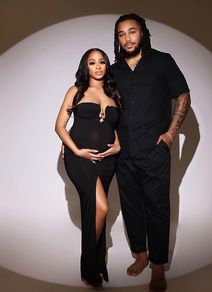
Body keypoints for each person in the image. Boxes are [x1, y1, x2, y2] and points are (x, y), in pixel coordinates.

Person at [111, 13, 191, 292]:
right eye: (121, 34)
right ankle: (141, 256)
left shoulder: (162, 61)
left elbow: (183, 94)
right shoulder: (114, 70)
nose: (127, 38)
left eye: (132, 32)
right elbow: (97, 104)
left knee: (157, 208)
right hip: (123, 151)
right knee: (131, 205)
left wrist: (170, 134)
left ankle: (158, 265)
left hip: (154, 150)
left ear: (142, 33)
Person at [55, 48, 121, 288]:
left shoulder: (114, 93)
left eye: (102, 62)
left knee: (94, 210)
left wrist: (118, 146)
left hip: (107, 160)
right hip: (79, 158)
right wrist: (75, 150)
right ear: (86, 67)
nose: (98, 66)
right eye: (92, 63)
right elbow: (60, 126)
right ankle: (89, 264)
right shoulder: (76, 91)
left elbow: (116, 127)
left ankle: (96, 264)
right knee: (102, 208)